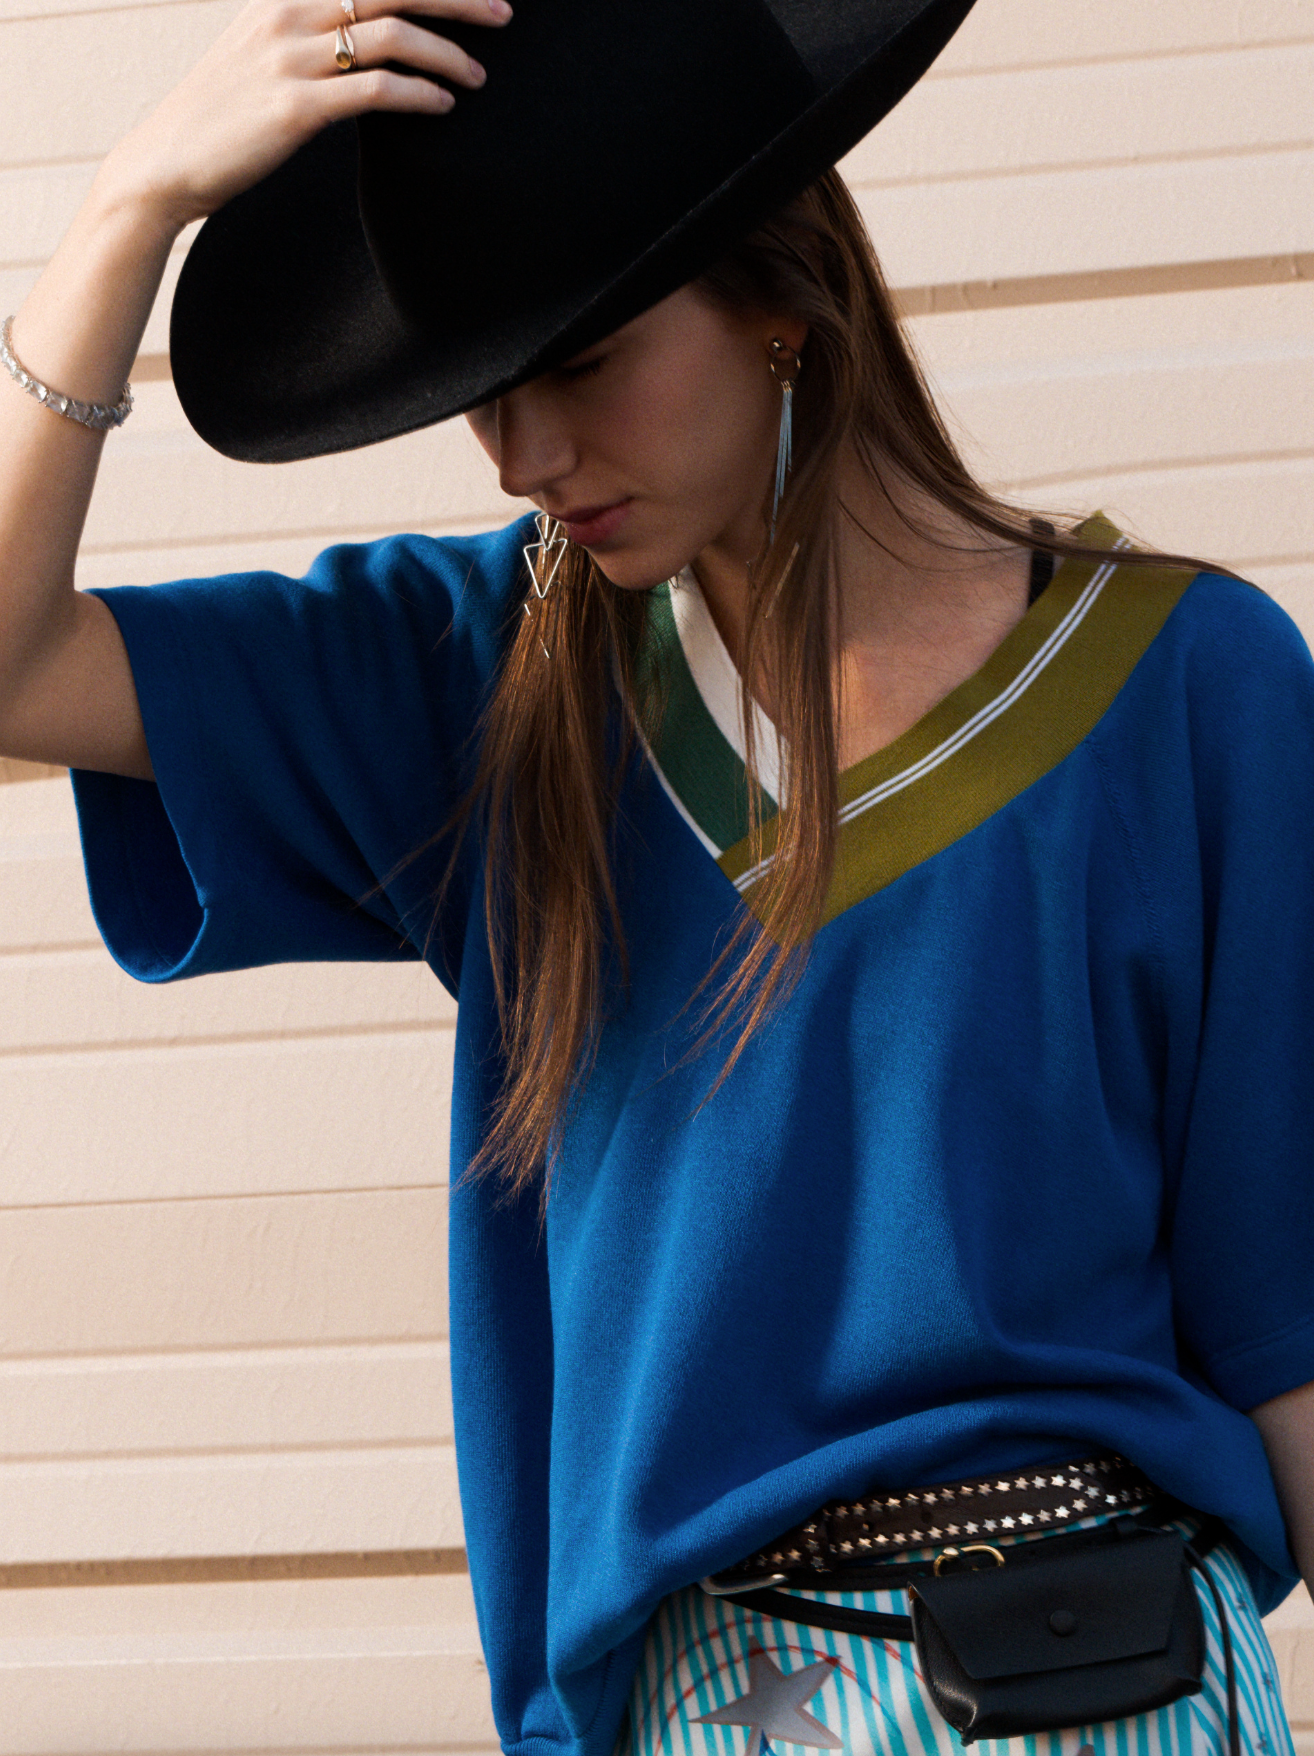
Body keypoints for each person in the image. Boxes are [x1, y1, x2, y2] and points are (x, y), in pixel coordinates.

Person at [0, 0, 1310, 1752]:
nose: (528, 458)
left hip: (1124, 1673)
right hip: (719, 1700)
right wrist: (127, 216)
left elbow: (1280, 1297)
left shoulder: (1190, 681)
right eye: (484, 396)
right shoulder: (473, 674)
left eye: (587, 360)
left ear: (784, 305)